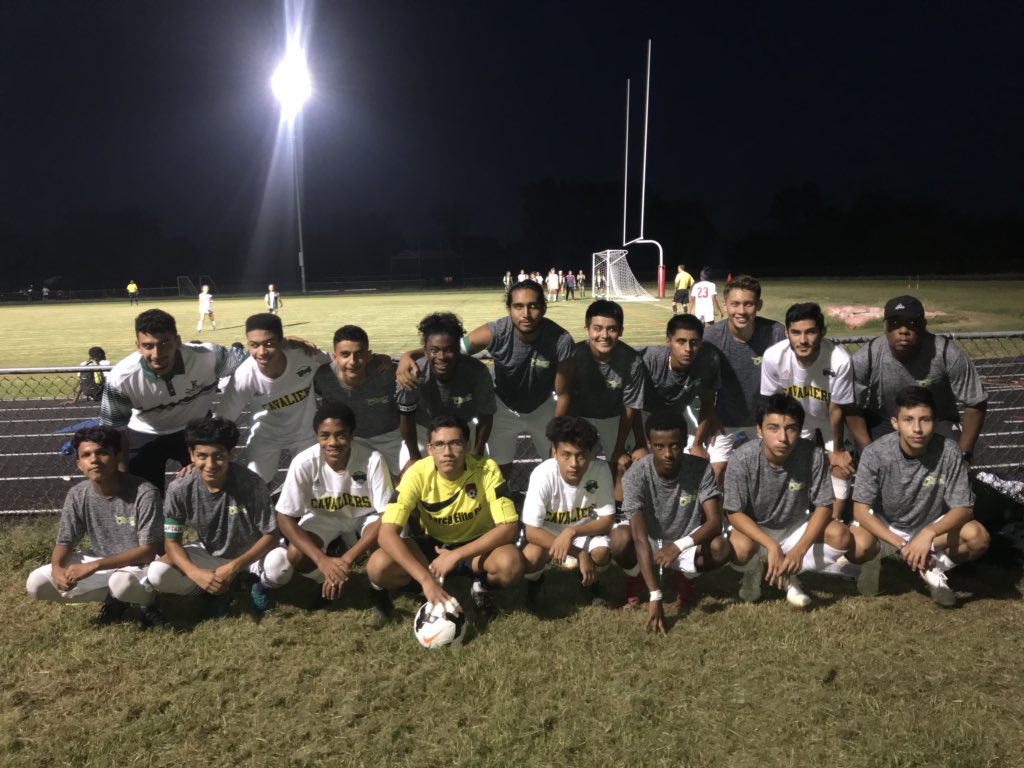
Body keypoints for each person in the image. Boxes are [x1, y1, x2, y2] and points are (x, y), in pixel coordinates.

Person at [398, 279, 574, 479]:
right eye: (518, 306)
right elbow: (450, 347)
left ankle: (556, 508)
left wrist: (557, 435)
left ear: (543, 308)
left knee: (557, 462)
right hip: (503, 406)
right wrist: (410, 355)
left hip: (542, 407)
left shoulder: (560, 340)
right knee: (499, 468)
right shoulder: (497, 331)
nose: (526, 314)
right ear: (509, 309)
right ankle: (505, 500)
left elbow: (563, 393)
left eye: (532, 306)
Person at [366, 415, 525, 620]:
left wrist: (456, 555)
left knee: (511, 565)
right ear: (430, 449)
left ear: (467, 446)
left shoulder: (487, 468)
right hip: (433, 546)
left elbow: (509, 528)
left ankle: (481, 586)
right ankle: (425, 588)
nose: (447, 452)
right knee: (378, 566)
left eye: (455, 443)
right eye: (439, 445)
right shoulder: (416, 474)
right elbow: (386, 534)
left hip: (477, 547)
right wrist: (425, 579)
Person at [847, 387, 989, 606]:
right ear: (895, 423)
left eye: (925, 420)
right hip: (888, 525)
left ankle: (933, 567)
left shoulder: (949, 451)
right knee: (856, 545)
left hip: (929, 526)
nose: (917, 429)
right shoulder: (875, 452)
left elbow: (963, 508)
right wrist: (901, 544)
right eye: (908, 420)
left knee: (978, 537)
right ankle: (872, 562)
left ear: (935, 421)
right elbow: (860, 511)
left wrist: (928, 533)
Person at [147, 418, 291, 617]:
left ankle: (258, 585)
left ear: (231, 453)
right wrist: (194, 573)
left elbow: (271, 534)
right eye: (202, 456)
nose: (210, 464)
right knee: (157, 574)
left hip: (253, 555)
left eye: (218, 456)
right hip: (210, 553)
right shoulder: (179, 488)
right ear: (191, 455)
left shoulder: (250, 483)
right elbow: (172, 542)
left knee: (282, 564)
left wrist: (233, 567)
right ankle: (213, 591)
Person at [25, 426, 164, 626]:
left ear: (117, 457)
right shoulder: (77, 494)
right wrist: (56, 568)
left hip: (137, 565)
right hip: (101, 560)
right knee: (37, 584)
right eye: (86, 455)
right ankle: (114, 600)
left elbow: (148, 552)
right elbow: (65, 541)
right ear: (79, 464)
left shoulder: (144, 492)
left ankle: (149, 602)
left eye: (102, 453)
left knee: (122, 584)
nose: (94, 460)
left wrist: (94, 566)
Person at [724, 395, 854, 608]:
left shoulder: (813, 454)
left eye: (791, 428)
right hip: (757, 529)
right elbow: (733, 512)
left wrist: (799, 550)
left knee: (841, 536)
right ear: (759, 429)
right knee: (738, 551)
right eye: (773, 428)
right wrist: (771, 545)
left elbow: (824, 506)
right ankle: (753, 569)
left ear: (800, 429)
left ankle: (790, 572)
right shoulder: (742, 457)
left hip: (795, 527)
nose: (782, 437)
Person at [264, 402, 394, 615]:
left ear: (352, 435)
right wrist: (321, 561)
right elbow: (284, 517)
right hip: (325, 517)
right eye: (325, 435)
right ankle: (326, 578)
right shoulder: (303, 462)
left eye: (341, 435)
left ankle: (378, 588)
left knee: (384, 552)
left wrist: (347, 559)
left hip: (365, 517)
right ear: (316, 436)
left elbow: (385, 515)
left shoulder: (373, 460)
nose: (333, 442)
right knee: (296, 555)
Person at [100, 309, 248, 493]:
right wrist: (122, 475)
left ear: (177, 341)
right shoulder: (121, 379)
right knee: (144, 493)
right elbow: (114, 431)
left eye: (164, 343)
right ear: (138, 346)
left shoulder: (209, 357)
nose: (157, 353)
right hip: (146, 433)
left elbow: (255, 358)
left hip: (195, 427)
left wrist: (283, 344)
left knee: (213, 487)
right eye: (148, 346)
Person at [611, 410, 731, 630]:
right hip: (647, 538)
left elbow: (715, 522)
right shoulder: (636, 474)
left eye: (674, 445)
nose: (667, 453)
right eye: (659, 446)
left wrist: (677, 546)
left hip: (683, 540)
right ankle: (636, 575)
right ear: (649, 444)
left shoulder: (700, 467)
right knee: (619, 539)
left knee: (721, 547)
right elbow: (638, 538)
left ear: (683, 442)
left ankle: (684, 575)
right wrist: (656, 596)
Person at [848, 295, 987, 466]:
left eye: (912, 323)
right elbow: (850, 404)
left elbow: (975, 402)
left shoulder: (946, 354)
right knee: (876, 465)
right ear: (884, 327)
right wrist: (865, 449)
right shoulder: (867, 356)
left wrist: (965, 455)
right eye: (894, 323)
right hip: (887, 420)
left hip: (937, 421)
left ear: (923, 326)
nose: (903, 330)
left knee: (951, 465)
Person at [760, 303, 856, 519]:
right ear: (787, 333)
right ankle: (792, 519)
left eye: (810, 332)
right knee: (786, 464)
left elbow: (836, 408)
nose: (803, 340)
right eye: (795, 332)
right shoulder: (774, 356)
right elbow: (773, 404)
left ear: (822, 332)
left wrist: (837, 450)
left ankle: (835, 524)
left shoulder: (839, 359)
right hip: (793, 420)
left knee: (840, 467)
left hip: (827, 419)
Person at [215, 313, 330, 484]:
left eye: (269, 344)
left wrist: (378, 360)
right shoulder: (244, 375)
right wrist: (201, 450)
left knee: (312, 486)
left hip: (305, 435)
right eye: (254, 345)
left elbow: (339, 361)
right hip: (265, 437)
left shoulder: (305, 356)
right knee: (255, 487)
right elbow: (223, 417)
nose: (261, 352)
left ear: (282, 343)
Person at [521, 416, 615, 609]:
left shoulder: (600, 470)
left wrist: (571, 532)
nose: (574, 463)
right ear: (554, 452)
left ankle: (590, 582)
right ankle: (535, 582)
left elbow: (607, 520)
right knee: (530, 558)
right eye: (566, 454)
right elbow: (531, 531)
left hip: (582, 531)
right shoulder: (542, 474)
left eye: (581, 455)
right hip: (550, 533)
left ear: (590, 454)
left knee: (601, 554)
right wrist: (579, 553)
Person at [702, 275, 786, 484]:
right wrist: (710, 415)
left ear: (759, 305)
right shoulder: (710, 337)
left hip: (765, 419)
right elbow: (702, 382)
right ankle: (720, 515)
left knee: (772, 470)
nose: (741, 311)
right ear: (725, 305)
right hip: (724, 419)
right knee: (715, 472)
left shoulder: (776, 334)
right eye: (735, 304)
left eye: (748, 304)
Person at [314, 325, 416, 476]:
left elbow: (413, 361)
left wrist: (407, 356)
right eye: (345, 354)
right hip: (352, 440)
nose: (353, 361)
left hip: (390, 437)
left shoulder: (386, 372)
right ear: (334, 357)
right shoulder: (323, 377)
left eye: (359, 354)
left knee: (414, 475)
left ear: (369, 355)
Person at [396, 312, 496, 459]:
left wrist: (478, 450)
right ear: (425, 350)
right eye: (434, 350)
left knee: (475, 477)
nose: (441, 357)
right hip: (423, 434)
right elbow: (407, 418)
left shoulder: (477, 371)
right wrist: (414, 456)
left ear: (458, 348)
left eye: (448, 350)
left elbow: (486, 414)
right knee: (409, 475)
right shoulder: (412, 374)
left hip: (464, 432)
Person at [570, 300, 646, 472]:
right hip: (581, 417)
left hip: (614, 417)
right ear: (587, 330)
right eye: (597, 328)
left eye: (611, 329)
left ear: (620, 331)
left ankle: (617, 499)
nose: (604, 335)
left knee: (624, 465)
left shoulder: (632, 360)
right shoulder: (574, 355)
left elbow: (630, 406)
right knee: (577, 465)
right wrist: (570, 433)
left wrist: (619, 448)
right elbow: (567, 398)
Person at [638, 314, 722, 461]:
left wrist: (698, 444)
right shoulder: (650, 360)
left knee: (701, 459)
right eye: (681, 342)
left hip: (679, 413)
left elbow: (708, 401)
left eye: (694, 342)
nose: (688, 349)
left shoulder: (708, 360)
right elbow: (632, 404)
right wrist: (640, 443)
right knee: (642, 461)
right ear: (668, 341)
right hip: (645, 413)